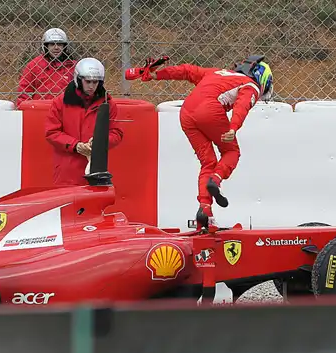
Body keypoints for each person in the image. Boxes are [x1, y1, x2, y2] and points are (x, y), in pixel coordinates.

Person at [124, 55, 274, 229]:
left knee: (208, 162)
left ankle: (205, 211)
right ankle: (216, 181)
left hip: (186, 112)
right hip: (209, 111)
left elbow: (187, 70)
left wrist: (155, 75)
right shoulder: (251, 85)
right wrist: (234, 127)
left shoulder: (218, 72)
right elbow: (242, 105)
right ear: (262, 78)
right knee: (232, 152)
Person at [44, 57, 124, 186]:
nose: (92, 86)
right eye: (88, 81)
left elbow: (117, 133)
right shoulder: (61, 102)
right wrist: (76, 145)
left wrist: (100, 141)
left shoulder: (107, 103)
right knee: (69, 204)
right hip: (67, 168)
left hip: (97, 168)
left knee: (95, 204)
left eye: (95, 82)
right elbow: (52, 132)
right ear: (79, 79)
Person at [15, 28, 76, 107]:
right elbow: (24, 93)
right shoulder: (34, 65)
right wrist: (26, 111)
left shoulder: (73, 66)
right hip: (40, 109)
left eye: (59, 44)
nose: (56, 47)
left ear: (65, 46)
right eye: (52, 44)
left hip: (65, 110)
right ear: (45, 46)